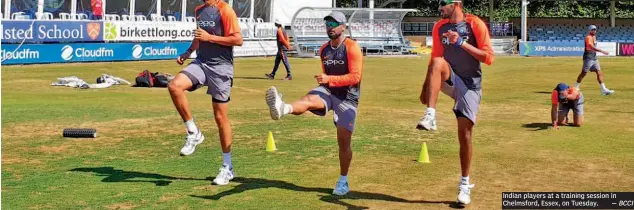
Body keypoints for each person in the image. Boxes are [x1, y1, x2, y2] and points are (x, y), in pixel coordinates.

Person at [265, 11, 363, 196]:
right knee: (309, 100)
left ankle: (343, 180)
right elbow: (328, 77)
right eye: (328, 24)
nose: (330, 27)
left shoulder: (352, 47)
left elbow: (355, 77)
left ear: (343, 27)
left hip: (348, 98)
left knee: (343, 143)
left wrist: (329, 78)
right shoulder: (324, 49)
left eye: (334, 24)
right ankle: (283, 107)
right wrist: (326, 81)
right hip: (329, 90)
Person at [415, 0, 494, 206]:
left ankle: (465, 185)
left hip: (470, 86)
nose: (439, 7)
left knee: (465, 135)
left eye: (443, 3)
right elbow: (435, 59)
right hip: (451, 78)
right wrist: (426, 87)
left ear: (456, 3)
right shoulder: (440, 27)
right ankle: (430, 115)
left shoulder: (474, 24)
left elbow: (488, 58)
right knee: (438, 62)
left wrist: (461, 43)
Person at [168, 0, 243, 185]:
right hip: (201, 63)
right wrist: (188, 52)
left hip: (221, 68)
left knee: (220, 118)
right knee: (174, 86)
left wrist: (211, 38)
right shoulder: (199, 10)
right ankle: (193, 131)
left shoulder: (225, 9)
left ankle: (227, 167)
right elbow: (199, 37)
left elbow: (237, 39)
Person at [574, 25, 614, 96]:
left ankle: (603, 89)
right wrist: (602, 51)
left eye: (595, 29)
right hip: (588, 57)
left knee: (599, 72)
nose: (594, 31)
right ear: (589, 30)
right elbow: (591, 47)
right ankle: (576, 87)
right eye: (592, 29)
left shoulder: (594, 37)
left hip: (594, 57)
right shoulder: (588, 37)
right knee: (584, 73)